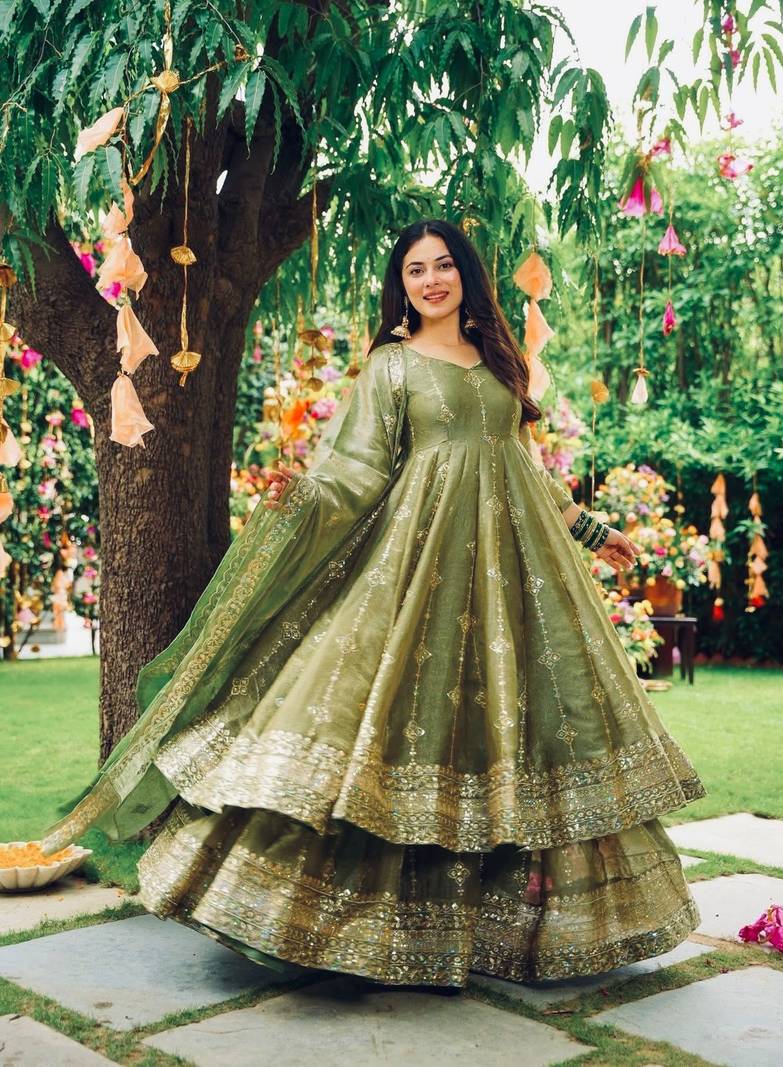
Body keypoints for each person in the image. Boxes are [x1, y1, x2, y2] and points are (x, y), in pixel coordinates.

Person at [42, 218, 704, 991]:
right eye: (416, 270)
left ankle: (513, 924)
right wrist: (302, 498)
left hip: (517, 574)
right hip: (422, 567)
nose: (431, 280)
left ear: (466, 274)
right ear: (403, 286)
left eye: (444, 266)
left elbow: (524, 464)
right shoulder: (392, 366)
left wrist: (592, 529)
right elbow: (357, 470)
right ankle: (332, 921)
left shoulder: (501, 359)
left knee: (533, 724)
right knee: (392, 715)